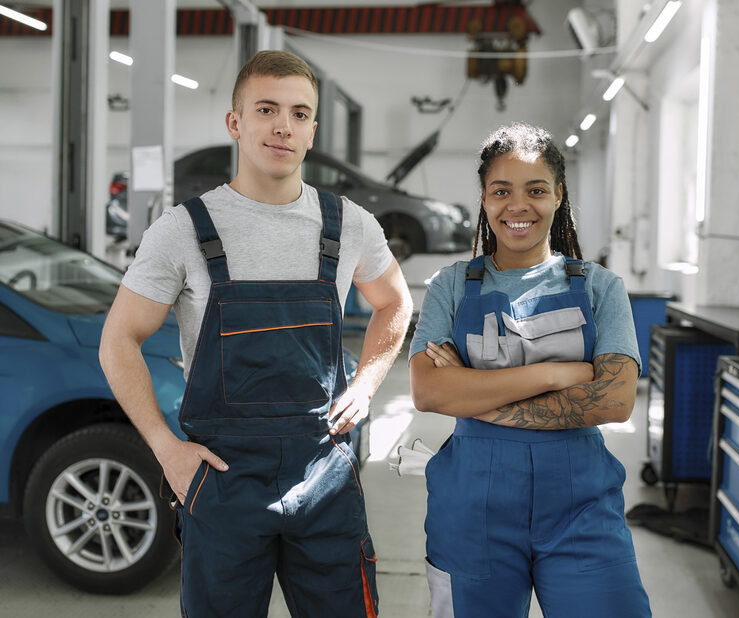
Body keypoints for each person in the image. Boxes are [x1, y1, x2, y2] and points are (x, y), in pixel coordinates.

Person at [99, 50, 412, 617]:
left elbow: (395, 302)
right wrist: (166, 451)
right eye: (266, 109)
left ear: (313, 130)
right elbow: (117, 340)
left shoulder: (349, 225)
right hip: (221, 481)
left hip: (324, 475)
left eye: (298, 113)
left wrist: (366, 386)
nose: (282, 126)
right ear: (235, 122)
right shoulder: (182, 231)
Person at [408, 122, 651, 618]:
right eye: (501, 191)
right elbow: (429, 390)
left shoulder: (602, 287)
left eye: (536, 190)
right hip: (471, 512)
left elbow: (614, 400)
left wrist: (477, 397)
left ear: (558, 196)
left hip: (583, 509)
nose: (518, 206)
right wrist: (559, 373)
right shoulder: (450, 286)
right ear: (484, 198)